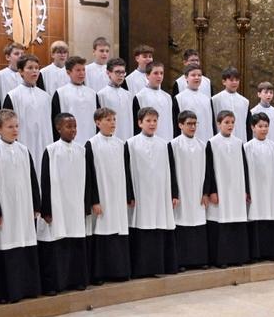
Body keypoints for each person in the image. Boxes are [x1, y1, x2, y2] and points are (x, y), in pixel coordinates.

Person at [0, 109, 42, 303]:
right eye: (10, 127)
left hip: (24, 207)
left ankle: (29, 288)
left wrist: (36, 204)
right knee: (7, 245)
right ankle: (7, 292)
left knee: (25, 242)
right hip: (5, 209)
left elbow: (33, 179)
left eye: (17, 126)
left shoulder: (23, 150)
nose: (15, 130)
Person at [37, 113, 92, 294]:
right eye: (68, 127)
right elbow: (45, 181)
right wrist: (46, 209)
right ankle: (55, 284)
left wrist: (85, 204)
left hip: (75, 205)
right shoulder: (51, 151)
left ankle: (77, 280)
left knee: (75, 241)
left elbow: (87, 179)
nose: (73, 130)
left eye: (75, 126)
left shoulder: (81, 150)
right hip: (58, 205)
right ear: (58, 128)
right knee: (58, 243)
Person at [126, 107, 179, 277]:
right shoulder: (131, 144)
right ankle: (141, 269)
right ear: (140, 123)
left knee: (158, 225)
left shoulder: (164, 144)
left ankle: (158, 267)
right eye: (148, 121)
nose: (152, 124)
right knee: (142, 226)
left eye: (155, 120)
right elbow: (126, 171)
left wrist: (173, 193)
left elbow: (171, 169)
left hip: (159, 193)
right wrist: (129, 194)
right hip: (141, 192)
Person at [85, 107, 133, 283]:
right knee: (103, 231)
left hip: (118, 195)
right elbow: (89, 175)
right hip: (102, 197)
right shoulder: (91, 144)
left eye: (114, 119)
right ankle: (100, 274)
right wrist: (94, 201)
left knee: (119, 230)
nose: (112, 123)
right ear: (98, 123)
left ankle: (120, 272)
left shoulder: (121, 144)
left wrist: (129, 195)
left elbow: (127, 171)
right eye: (108, 120)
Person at [204, 110, 250, 267]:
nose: (230, 125)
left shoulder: (238, 142)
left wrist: (246, 190)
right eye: (226, 122)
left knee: (236, 221)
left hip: (236, 189)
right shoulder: (212, 142)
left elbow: (244, 167)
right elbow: (208, 169)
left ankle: (238, 257)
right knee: (222, 221)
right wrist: (212, 191)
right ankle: (222, 259)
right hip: (221, 189)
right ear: (218, 124)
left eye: (232, 122)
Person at [2, 54, 52, 182]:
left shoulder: (46, 97)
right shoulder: (13, 96)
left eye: (37, 67)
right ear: (20, 71)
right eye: (30, 68)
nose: (35, 71)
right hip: (23, 144)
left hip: (43, 143)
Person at [169, 110, 209, 269]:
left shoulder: (202, 145)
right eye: (189, 124)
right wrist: (174, 193)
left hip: (198, 192)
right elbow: (170, 171)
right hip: (182, 192)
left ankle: (199, 260)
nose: (192, 127)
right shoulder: (174, 145)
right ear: (180, 125)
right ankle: (182, 261)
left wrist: (206, 192)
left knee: (198, 222)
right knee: (183, 222)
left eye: (195, 124)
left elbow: (208, 171)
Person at [244, 112, 274, 261]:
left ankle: (271, 252)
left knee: (270, 216)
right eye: (260, 126)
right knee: (256, 217)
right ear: (253, 128)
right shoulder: (247, 147)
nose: (263, 129)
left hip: (271, 188)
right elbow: (244, 170)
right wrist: (247, 190)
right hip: (255, 189)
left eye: (266, 126)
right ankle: (256, 253)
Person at [51, 56, 100, 146]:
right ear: (68, 72)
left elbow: (98, 118)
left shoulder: (92, 93)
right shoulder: (60, 93)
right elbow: (56, 119)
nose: (82, 73)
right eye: (78, 70)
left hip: (90, 138)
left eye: (83, 70)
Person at [132, 61, 178, 139]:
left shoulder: (167, 97)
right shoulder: (140, 97)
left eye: (161, 73)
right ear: (147, 75)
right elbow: (137, 124)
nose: (159, 76)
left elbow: (172, 122)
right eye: (156, 73)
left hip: (166, 138)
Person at [175, 64, 214, 144]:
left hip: (205, 138)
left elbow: (210, 123)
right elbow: (176, 124)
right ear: (186, 77)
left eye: (199, 75)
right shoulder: (179, 99)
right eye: (193, 75)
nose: (197, 77)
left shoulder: (207, 99)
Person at [97, 58, 134, 141]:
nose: (121, 75)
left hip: (127, 136)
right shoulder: (102, 95)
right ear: (108, 73)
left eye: (123, 72)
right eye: (117, 72)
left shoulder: (128, 94)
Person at [211, 67, 251, 142]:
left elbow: (248, 125)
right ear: (224, 82)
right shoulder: (215, 100)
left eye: (237, 80)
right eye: (231, 80)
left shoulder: (245, 102)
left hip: (240, 139)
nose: (234, 82)